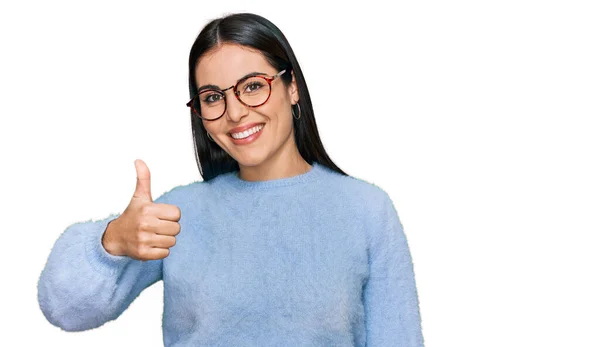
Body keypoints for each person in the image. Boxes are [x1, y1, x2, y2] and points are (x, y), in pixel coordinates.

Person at [37, 12, 424, 347]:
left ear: (292, 88)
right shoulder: (181, 213)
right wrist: (113, 241)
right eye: (212, 97)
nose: (235, 112)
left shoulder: (366, 211)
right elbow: (65, 309)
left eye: (253, 86)